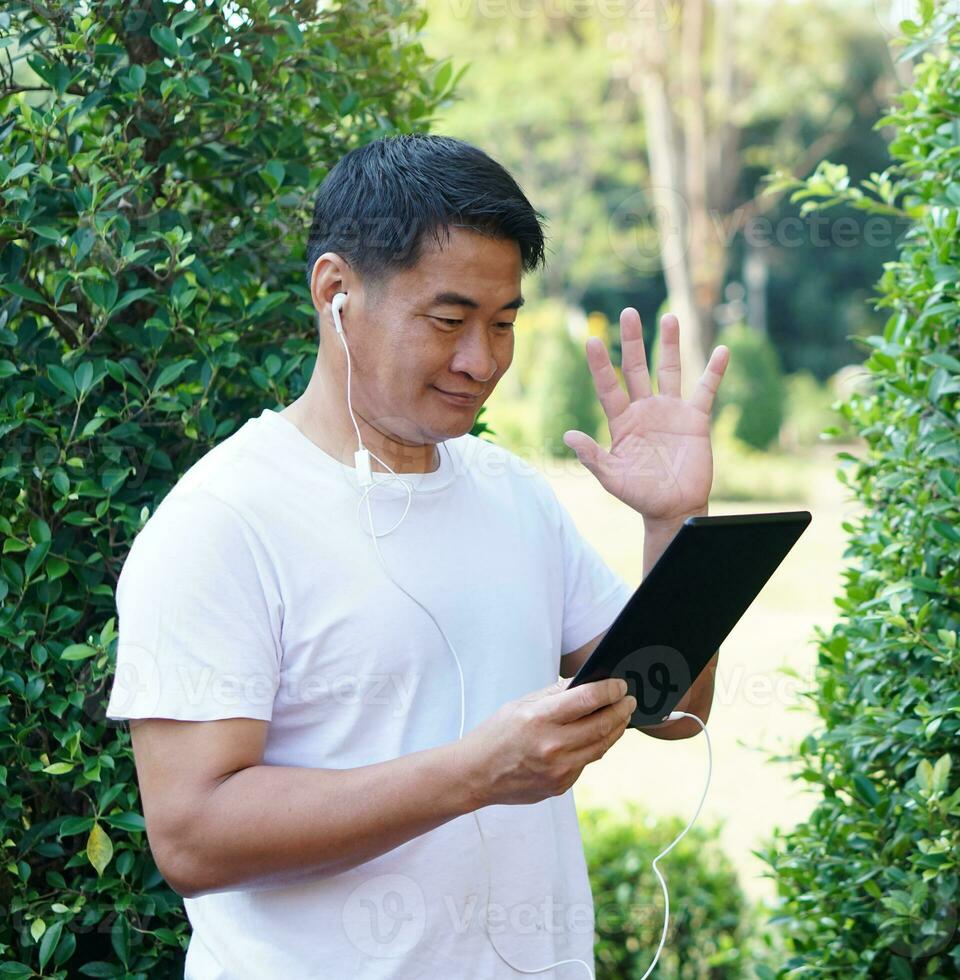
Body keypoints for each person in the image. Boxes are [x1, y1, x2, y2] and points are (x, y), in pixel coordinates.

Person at [104, 133, 730, 978]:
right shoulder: (221, 522)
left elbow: (674, 707)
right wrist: (474, 774)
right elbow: (191, 834)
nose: (483, 361)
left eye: (504, 322)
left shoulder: (514, 495)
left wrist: (674, 528)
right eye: (449, 321)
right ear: (336, 291)